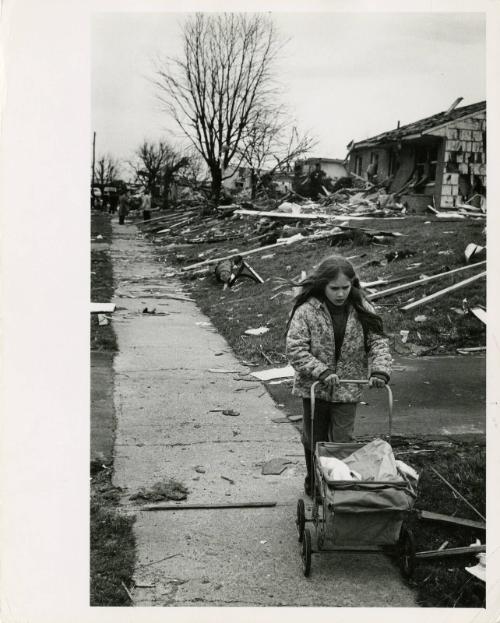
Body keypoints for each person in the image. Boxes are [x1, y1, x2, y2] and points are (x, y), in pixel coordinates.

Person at [285, 255, 392, 497]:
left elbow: (378, 342)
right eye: (334, 288)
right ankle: (314, 480)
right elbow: (295, 348)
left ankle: (338, 486)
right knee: (314, 438)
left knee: (342, 441)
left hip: (347, 389)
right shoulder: (307, 311)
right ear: (323, 284)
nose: (341, 294)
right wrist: (320, 371)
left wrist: (379, 370)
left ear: (352, 285)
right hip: (315, 388)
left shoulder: (363, 308)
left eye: (346, 287)